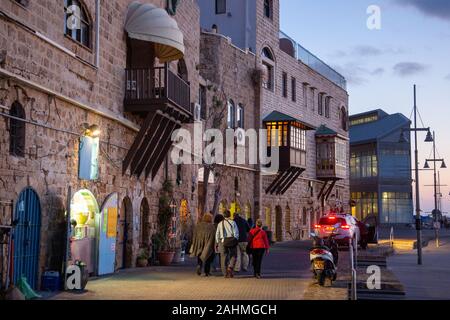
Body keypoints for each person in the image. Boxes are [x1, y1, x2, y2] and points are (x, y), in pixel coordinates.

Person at [215, 210, 239, 278]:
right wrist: (235, 239)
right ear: (230, 215)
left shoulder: (220, 223)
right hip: (232, 241)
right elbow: (236, 233)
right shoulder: (233, 222)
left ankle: (225, 273)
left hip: (223, 242)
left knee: (223, 257)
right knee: (233, 255)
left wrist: (217, 242)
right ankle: (230, 267)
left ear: (223, 215)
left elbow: (217, 234)